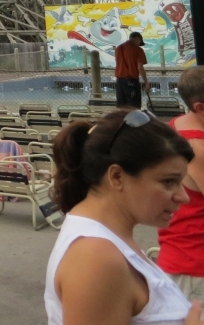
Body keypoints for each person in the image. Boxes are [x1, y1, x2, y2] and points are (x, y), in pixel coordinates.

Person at [45, 108, 199, 325]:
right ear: (117, 176)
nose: (184, 197)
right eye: (168, 181)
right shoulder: (96, 258)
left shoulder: (107, 241)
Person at [158, 67, 204, 297]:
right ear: (200, 108)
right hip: (195, 263)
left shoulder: (177, 125)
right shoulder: (198, 149)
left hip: (178, 252)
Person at [115, 32, 149, 110]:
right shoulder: (138, 50)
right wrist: (146, 82)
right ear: (138, 39)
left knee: (121, 107)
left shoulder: (118, 48)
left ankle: (123, 121)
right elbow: (140, 68)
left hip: (119, 81)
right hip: (132, 82)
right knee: (134, 107)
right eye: (140, 42)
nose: (139, 44)